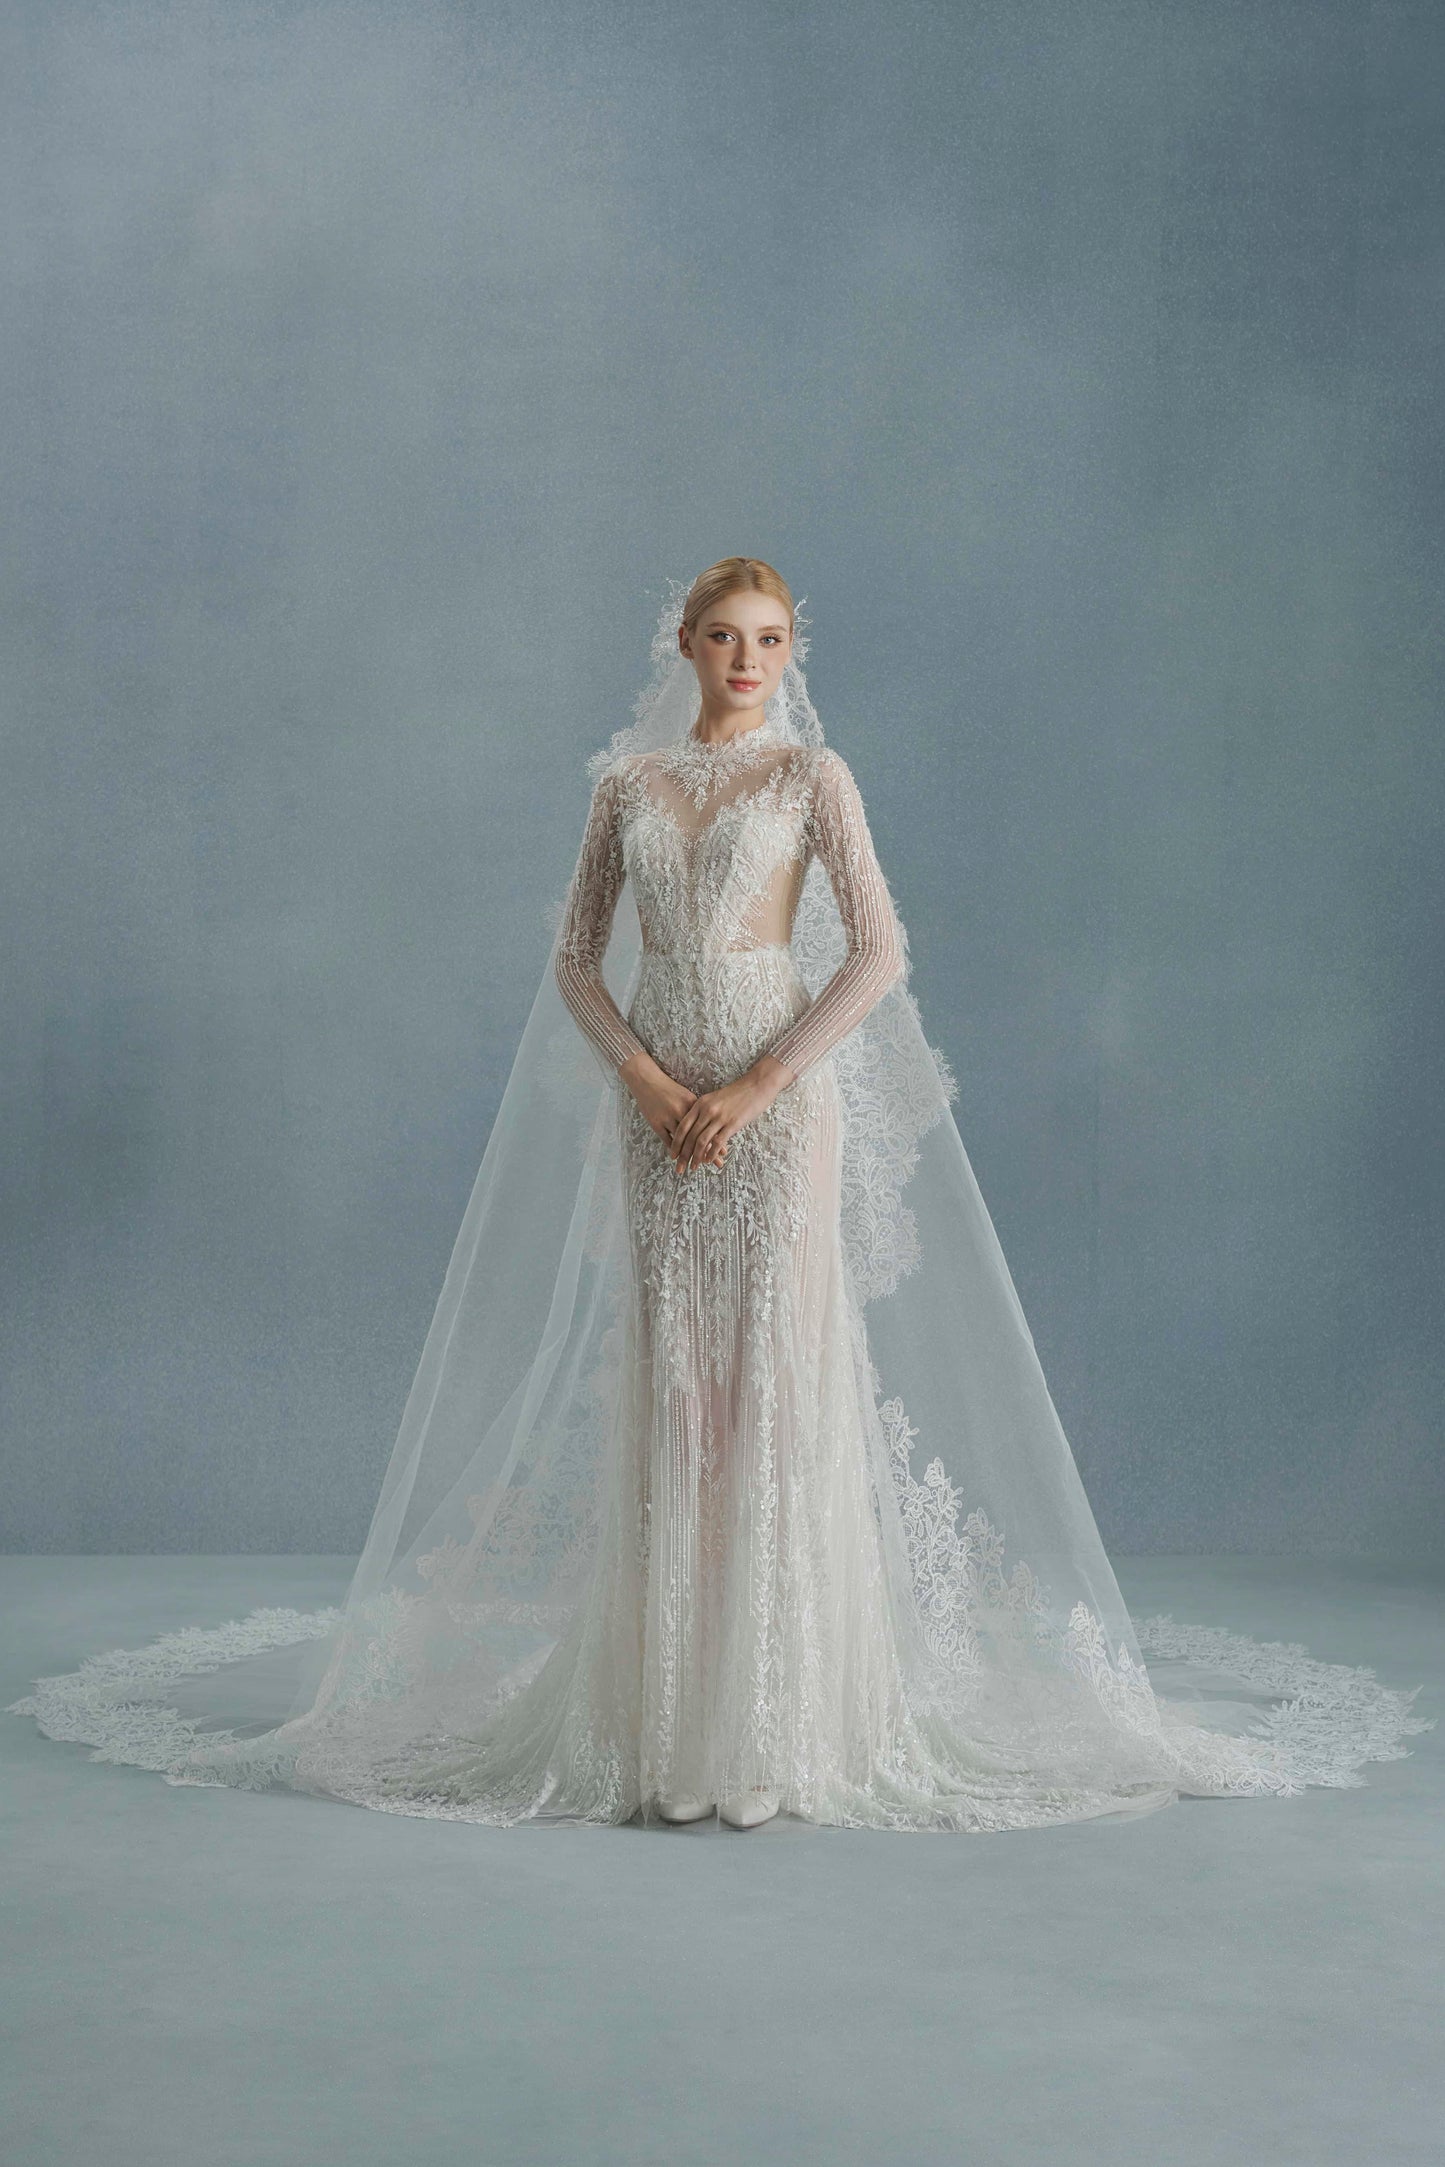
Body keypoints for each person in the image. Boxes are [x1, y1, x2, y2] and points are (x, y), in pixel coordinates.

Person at [7, 558, 1431, 1833]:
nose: (747, 660)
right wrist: (641, 1079)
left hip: (771, 1103)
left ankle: (776, 1725)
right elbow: (574, 955)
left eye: (769, 639)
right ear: (680, 646)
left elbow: (877, 953)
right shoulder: (625, 785)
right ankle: (663, 1725)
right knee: (676, 1388)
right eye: (723, 636)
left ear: (787, 651)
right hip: (655, 1108)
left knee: (771, 1380)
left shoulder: (815, 781)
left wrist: (755, 1088)